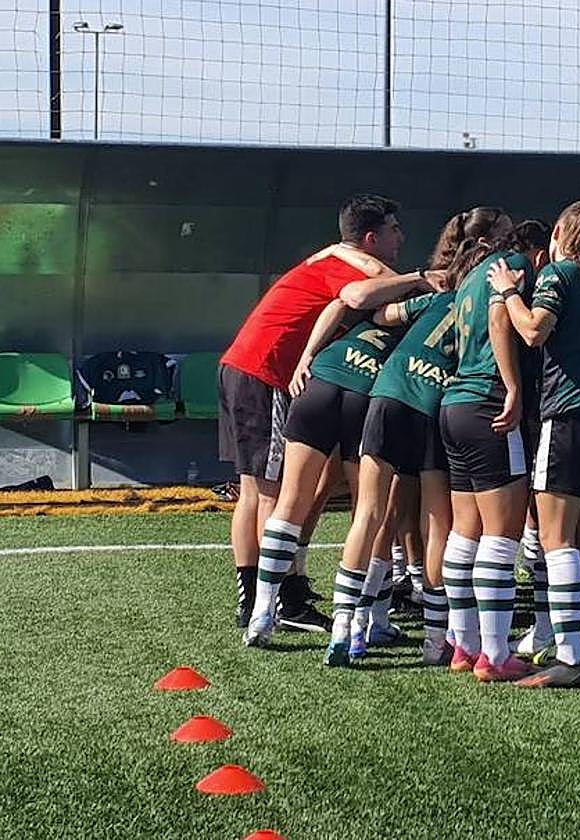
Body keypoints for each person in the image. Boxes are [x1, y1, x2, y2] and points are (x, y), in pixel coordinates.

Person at [218, 194, 433, 629]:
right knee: (270, 493)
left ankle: (260, 596)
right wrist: (418, 279)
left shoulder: (333, 258)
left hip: (242, 364)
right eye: (393, 231)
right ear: (369, 239)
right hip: (267, 369)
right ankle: (279, 600)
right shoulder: (349, 264)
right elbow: (359, 292)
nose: (401, 238)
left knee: (256, 490)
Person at [323, 210, 505, 667]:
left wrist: (420, 287)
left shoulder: (432, 301)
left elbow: (383, 313)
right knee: (435, 522)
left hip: (388, 394)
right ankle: (435, 637)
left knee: (368, 511)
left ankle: (347, 626)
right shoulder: (481, 305)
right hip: (431, 407)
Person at [489, 197, 580, 687]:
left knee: (556, 539)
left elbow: (532, 331)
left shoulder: (561, 272)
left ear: (565, 234)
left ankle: (570, 658)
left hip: (568, 414)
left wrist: (508, 291)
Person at [242, 282, 407, 648]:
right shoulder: (425, 303)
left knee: (290, 502)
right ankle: (370, 618)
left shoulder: (369, 300)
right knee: (369, 511)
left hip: (323, 376)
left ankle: (262, 614)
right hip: (366, 392)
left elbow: (338, 304)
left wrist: (307, 355)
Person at [438, 210, 537, 683]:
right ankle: (495, 655)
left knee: (465, 532)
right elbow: (502, 317)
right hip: (488, 405)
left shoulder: (466, 277)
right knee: (502, 535)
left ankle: (463, 642)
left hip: (455, 404)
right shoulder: (508, 264)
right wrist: (514, 386)